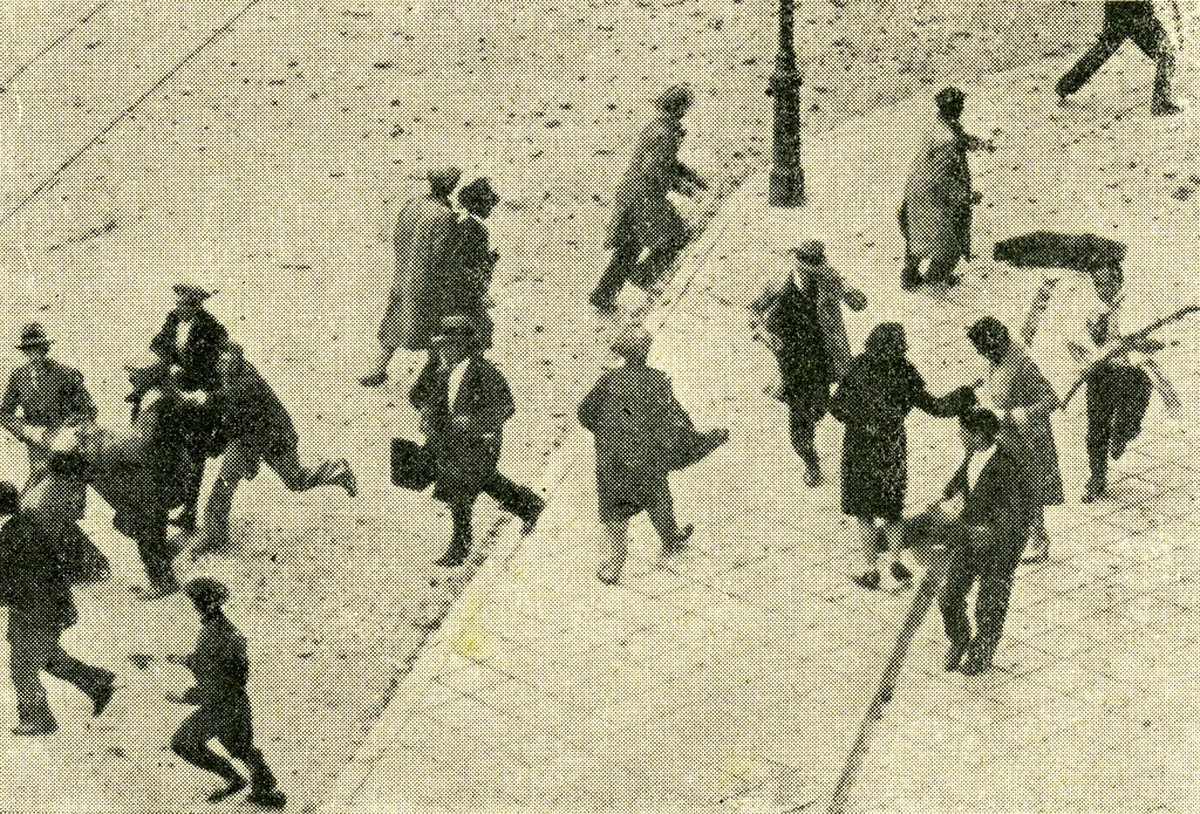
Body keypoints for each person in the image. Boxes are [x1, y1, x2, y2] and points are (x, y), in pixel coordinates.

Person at [830, 322, 976, 592]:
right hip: (891, 448)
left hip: (859, 448)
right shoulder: (904, 370)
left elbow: (837, 407)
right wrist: (964, 395)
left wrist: (863, 422)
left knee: (864, 512)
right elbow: (935, 407)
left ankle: (871, 569)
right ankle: (896, 561)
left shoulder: (858, 366)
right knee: (892, 509)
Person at [578, 326, 728, 584]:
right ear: (646, 351)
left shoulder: (608, 379)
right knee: (658, 496)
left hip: (611, 457)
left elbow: (584, 413)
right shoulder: (658, 380)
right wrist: (695, 438)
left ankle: (616, 563)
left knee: (615, 508)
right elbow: (675, 419)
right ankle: (670, 537)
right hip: (646, 456)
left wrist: (607, 434)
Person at [187, 343, 357, 555]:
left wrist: (212, 447)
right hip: (247, 436)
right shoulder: (228, 374)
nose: (222, 366)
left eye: (226, 363)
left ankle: (337, 470)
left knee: (296, 481)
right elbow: (216, 401)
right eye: (220, 361)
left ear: (235, 364)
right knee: (225, 482)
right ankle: (215, 535)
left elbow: (232, 425)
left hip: (275, 438)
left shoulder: (243, 386)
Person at [409, 314, 544, 566]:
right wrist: (426, 408)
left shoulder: (484, 372)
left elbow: (506, 407)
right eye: (442, 346)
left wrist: (472, 422)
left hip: (479, 442)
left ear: (465, 346)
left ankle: (460, 547)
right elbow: (416, 396)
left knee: (460, 490)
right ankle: (528, 505)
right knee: (484, 481)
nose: (444, 351)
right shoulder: (439, 370)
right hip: (447, 441)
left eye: (450, 346)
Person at [0, 461, 116, 736]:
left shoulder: (15, 536)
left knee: (23, 666)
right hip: (43, 607)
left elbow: (11, 580)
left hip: (35, 611)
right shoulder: (27, 524)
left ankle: (38, 719)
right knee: (47, 657)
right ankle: (96, 682)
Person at [80, 355, 203, 599]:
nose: (130, 377)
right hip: (164, 472)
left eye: (135, 373)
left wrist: (104, 440)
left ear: (150, 375)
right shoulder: (160, 397)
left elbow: (140, 446)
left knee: (146, 524)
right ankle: (162, 564)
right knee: (150, 524)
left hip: (157, 476)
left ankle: (162, 582)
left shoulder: (158, 404)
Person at [749, 240, 867, 487]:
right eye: (809, 272)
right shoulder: (778, 284)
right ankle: (811, 463)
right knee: (800, 426)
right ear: (798, 267)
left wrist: (853, 295)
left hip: (825, 358)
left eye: (818, 270)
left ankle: (821, 410)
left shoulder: (828, 277)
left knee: (819, 408)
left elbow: (855, 299)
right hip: (793, 364)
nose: (815, 276)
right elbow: (753, 312)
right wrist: (764, 334)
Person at [165, 577, 286, 808]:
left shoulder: (212, 634)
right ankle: (264, 788)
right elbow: (215, 665)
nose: (193, 606)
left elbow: (214, 681)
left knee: (183, 743)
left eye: (194, 601)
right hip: (236, 701)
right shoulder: (223, 628)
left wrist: (183, 697)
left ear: (203, 604)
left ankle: (239, 781)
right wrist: (180, 659)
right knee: (241, 748)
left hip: (219, 706)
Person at [590, 84, 708, 312]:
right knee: (677, 236)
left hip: (631, 192)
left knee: (630, 245)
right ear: (680, 108)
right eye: (685, 107)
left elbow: (667, 163)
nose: (686, 111)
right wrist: (684, 188)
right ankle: (643, 275)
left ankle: (603, 296)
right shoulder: (667, 133)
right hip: (645, 197)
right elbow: (656, 169)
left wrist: (691, 178)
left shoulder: (657, 126)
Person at [936, 408, 1035, 675]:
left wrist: (989, 531)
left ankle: (981, 654)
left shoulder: (1008, 465)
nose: (960, 436)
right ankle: (960, 638)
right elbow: (958, 485)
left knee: (990, 603)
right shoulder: (973, 455)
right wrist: (947, 501)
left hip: (1001, 546)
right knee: (949, 596)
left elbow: (1015, 511)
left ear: (978, 436)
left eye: (963, 432)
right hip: (970, 540)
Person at [967, 317, 1063, 564]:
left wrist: (1019, 414)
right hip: (1006, 438)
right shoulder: (995, 360)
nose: (981, 355)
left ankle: (1039, 540)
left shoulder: (1023, 365)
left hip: (1029, 440)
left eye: (984, 349)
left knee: (1030, 490)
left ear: (997, 343)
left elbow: (1052, 399)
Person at [361, 167, 463, 387]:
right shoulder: (445, 216)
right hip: (427, 282)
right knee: (437, 329)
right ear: (451, 186)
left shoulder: (412, 204)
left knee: (394, 323)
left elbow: (397, 237)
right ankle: (439, 380)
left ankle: (377, 369)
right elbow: (441, 256)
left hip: (403, 275)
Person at [149, 284, 229, 532]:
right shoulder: (173, 319)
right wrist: (170, 364)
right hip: (176, 393)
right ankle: (168, 503)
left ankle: (190, 511)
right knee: (167, 446)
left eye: (184, 305)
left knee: (196, 455)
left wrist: (197, 390)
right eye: (177, 303)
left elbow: (216, 371)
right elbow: (157, 344)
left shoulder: (213, 330)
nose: (178, 308)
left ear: (196, 306)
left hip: (200, 400)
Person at [898, 87, 995, 290]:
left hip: (915, 191)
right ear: (953, 107)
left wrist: (981, 144)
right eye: (959, 105)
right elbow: (942, 177)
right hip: (932, 196)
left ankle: (910, 277)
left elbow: (961, 139)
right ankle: (934, 282)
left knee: (918, 238)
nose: (962, 108)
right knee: (950, 247)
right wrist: (966, 196)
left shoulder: (939, 126)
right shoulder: (946, 141)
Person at [0, 323, 96, 479]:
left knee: (66, 487)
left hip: (67, 449)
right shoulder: (18, 377)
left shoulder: (66, 374)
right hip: (36, 449)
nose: (34, 353)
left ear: (45, 348)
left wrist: (67, 430)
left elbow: (89, 410)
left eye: (38, 348)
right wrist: (27, 431)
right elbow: (4, 414)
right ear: (24, 351)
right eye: (29, 349)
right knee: (39, 487)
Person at [1056, 1, 1183, 116]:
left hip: (1116, 9)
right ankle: (1161, 103)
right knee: (1166, 52)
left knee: (1102, 51)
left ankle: (1066, 86)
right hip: (1136, 11)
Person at [446, 177, 502, 350]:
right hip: (463, 291)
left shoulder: (462, 224)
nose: (491, 208)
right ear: (478, 204)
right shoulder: (476, 229)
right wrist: (490, 260)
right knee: (484, 327)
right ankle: (474, 363)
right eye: (488, 204)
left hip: (455, 288)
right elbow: (466, 264)